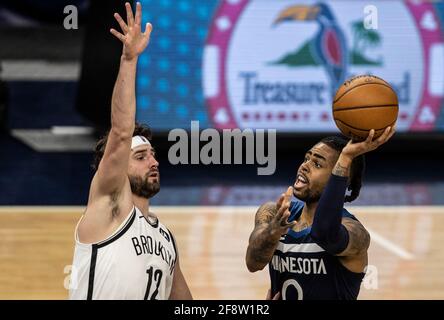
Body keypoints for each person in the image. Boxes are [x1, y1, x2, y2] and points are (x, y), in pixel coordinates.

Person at [69, 2, 192, 300]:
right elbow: (122, 132)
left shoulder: (166, 239)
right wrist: (129, 59)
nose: (152, 161)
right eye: (140, 156)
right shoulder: (108, 206)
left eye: (152, 154)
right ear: (116, 169)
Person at [246, 127, 395, 300]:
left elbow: (325, 233)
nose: (304, 166)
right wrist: (273, 230)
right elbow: (253, 263)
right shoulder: (274, 214)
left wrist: (345, 159)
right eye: (306, 159)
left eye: (317, 164)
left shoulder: (355, 233)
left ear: (339, 178)